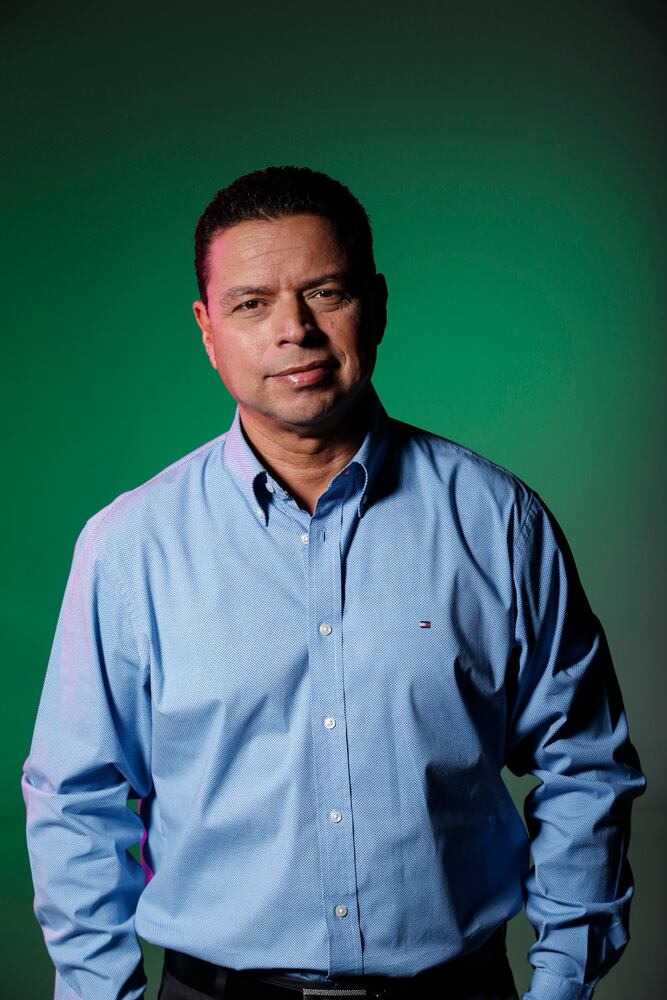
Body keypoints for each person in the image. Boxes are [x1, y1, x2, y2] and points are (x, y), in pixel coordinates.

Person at [23, 166, 645, 1000]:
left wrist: (562, 980)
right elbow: (76, 801)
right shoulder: (129, 547)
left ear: (375, 305)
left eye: (325, 293)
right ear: (208, 330)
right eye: (252, 303)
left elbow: (584, 765)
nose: (294, 331)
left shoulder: (499, 522)